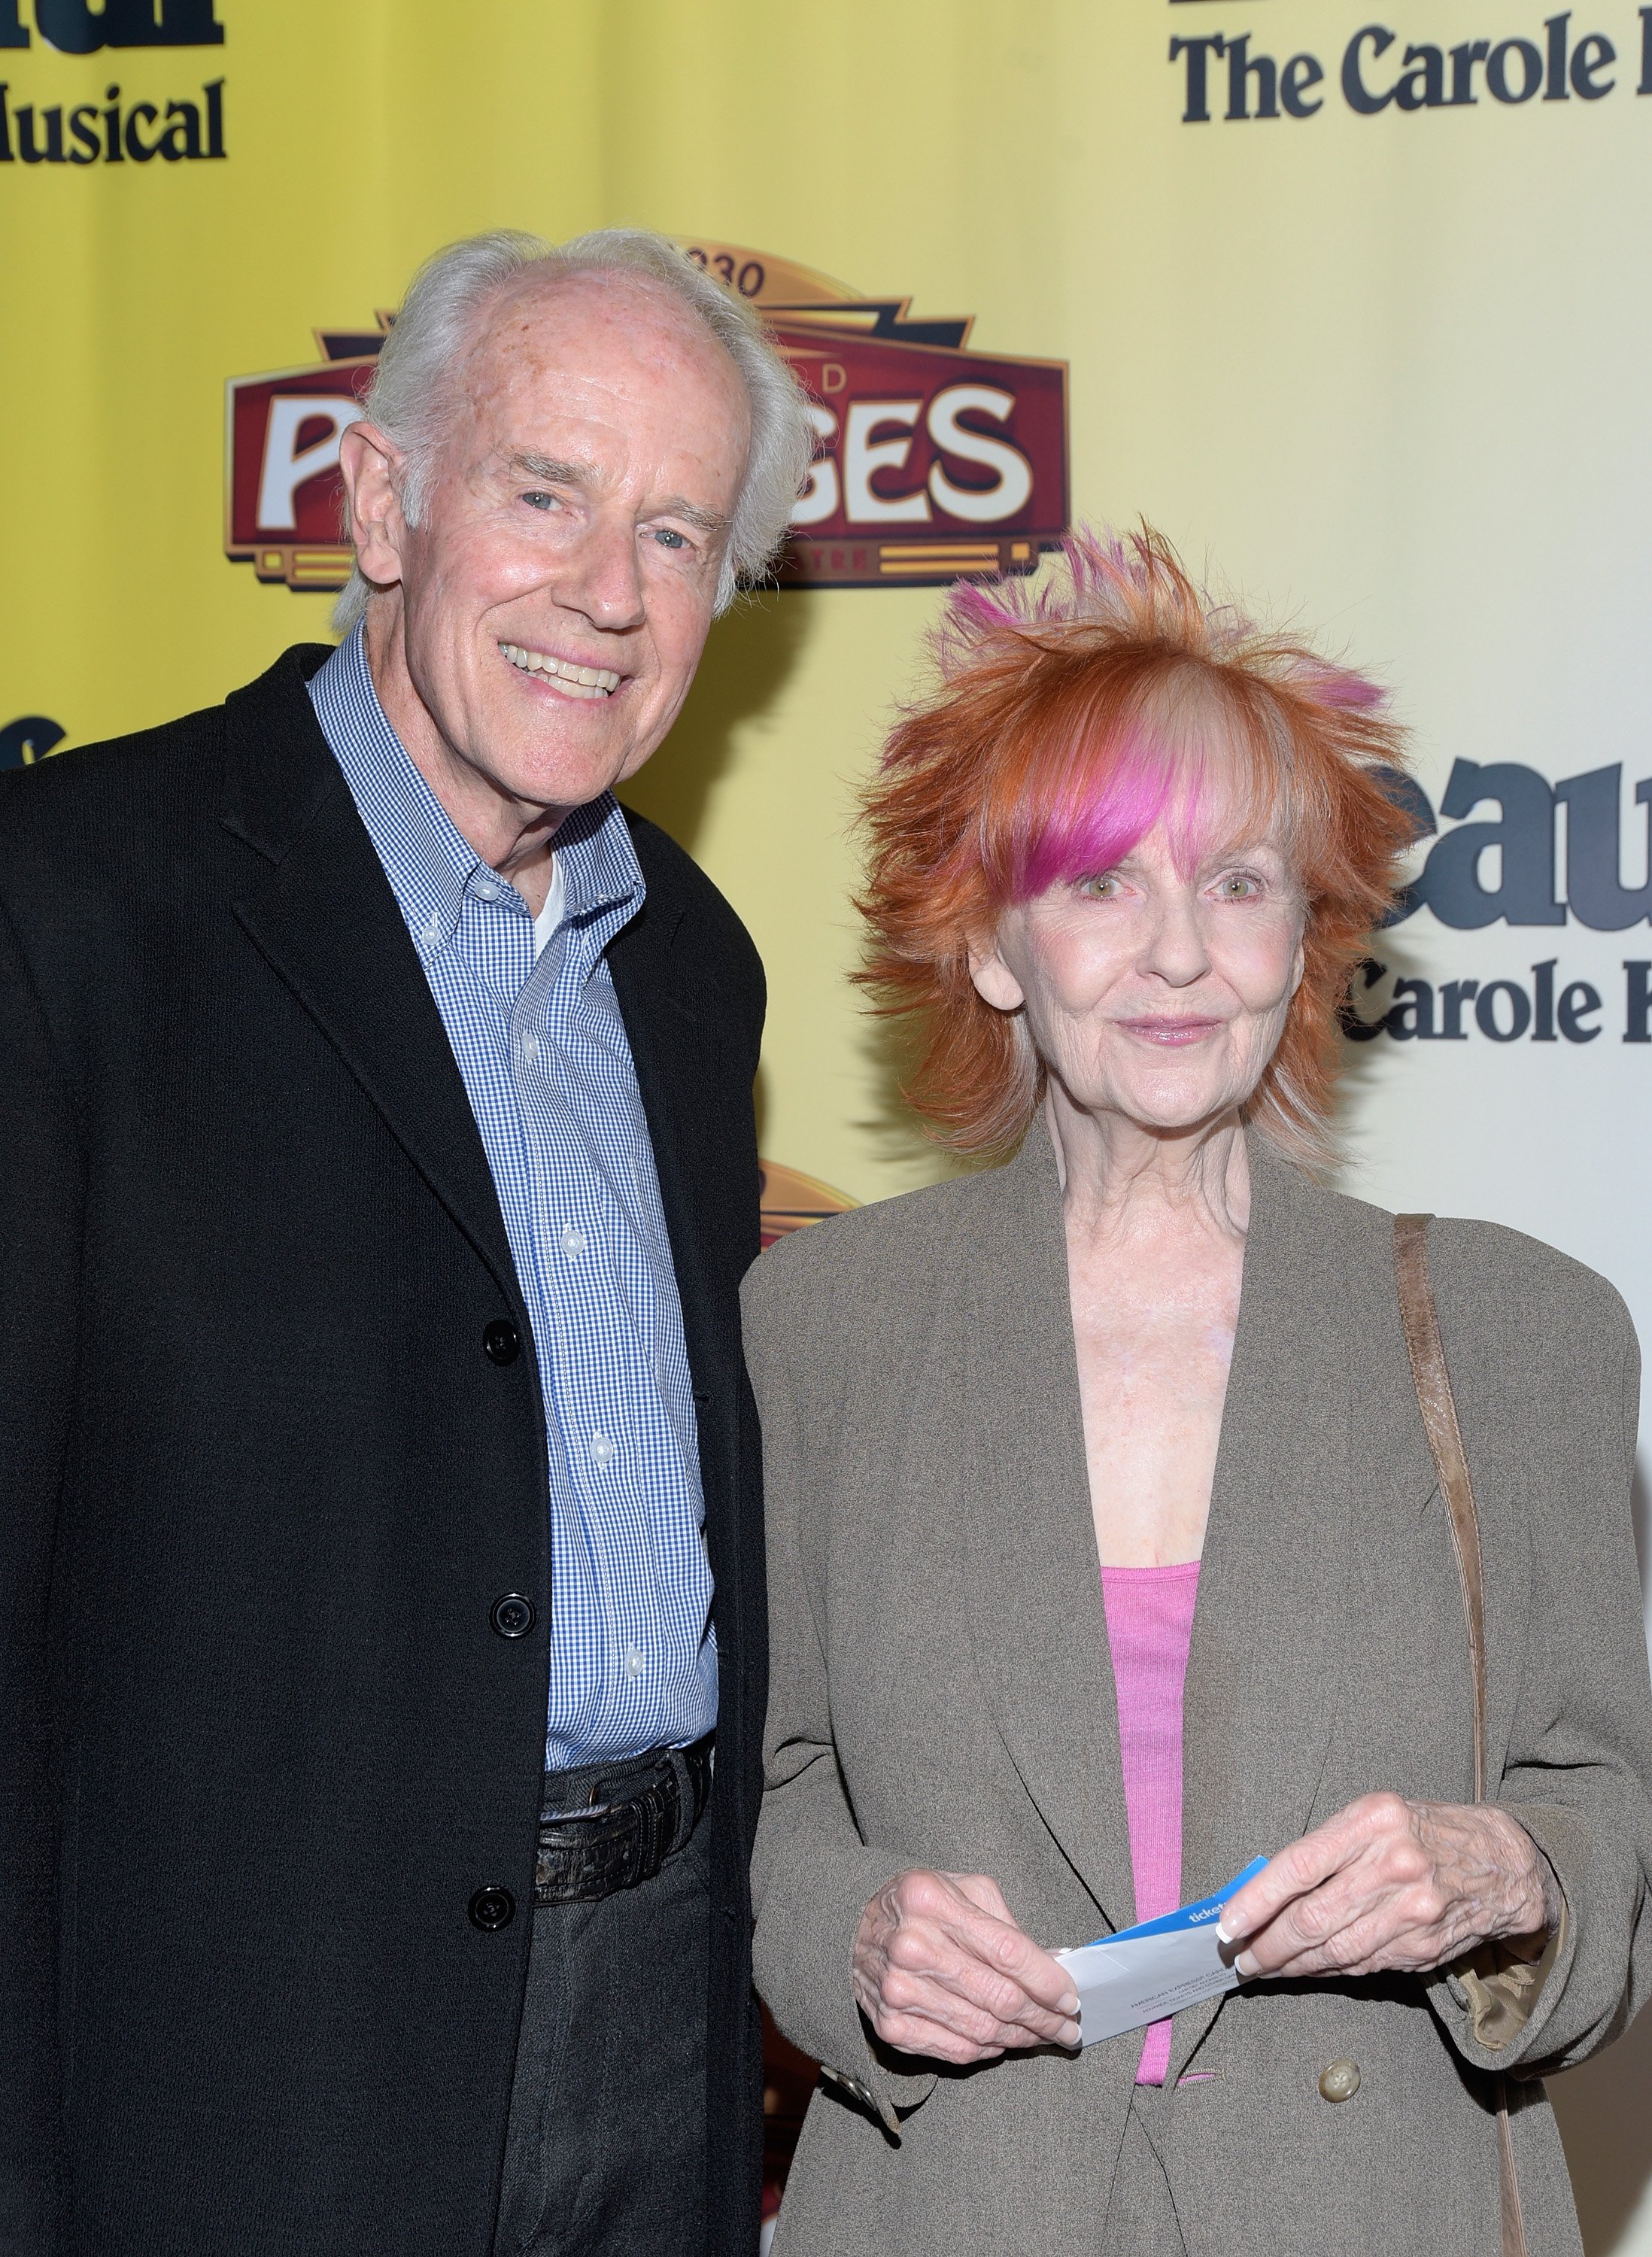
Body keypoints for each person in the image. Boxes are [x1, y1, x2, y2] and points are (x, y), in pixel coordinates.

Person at [0, 226, 812, 2256]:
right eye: (544, 494)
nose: (608, 597)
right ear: (380, 500)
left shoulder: (693, 967)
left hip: (660, 2021)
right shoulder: (73, 907)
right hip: (245, 2068)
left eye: (676, 535)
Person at [742, 529, 1652, 2257]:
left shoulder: (1522, 1332)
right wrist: (849, 1932)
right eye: (1100, 884)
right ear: (995, 945)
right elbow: (771, 1793)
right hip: (954, 2209)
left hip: (1375, 2206)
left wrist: (1506, 1877)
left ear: (1303, 939)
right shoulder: (825, 1329)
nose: (1178, 953)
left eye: (1237, 882)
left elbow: (1611, 1816)